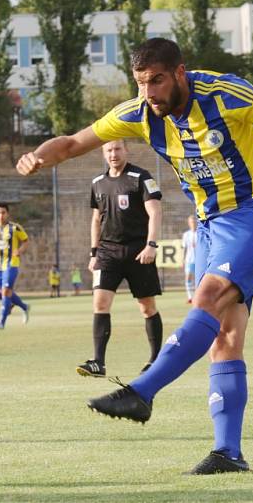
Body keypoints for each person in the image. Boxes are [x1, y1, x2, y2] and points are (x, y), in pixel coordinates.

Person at [16, 37, 253, 474]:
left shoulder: (226, 93)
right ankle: (228, 452)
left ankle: (142, 391)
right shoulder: (138, 113)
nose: (149, 92)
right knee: (224, 336)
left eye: (156, 80)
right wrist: (37, 157)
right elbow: (70, 143)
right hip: (212, 225)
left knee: (208, 299)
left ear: (179, 73)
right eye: (141, 83)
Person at [75, 139, 164, 379]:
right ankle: (98, 363)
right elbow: (96, 219)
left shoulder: (141, 177)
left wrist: (151, 245)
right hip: (107, 252)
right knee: (100, 304)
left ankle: (156, 360)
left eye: (117, 149)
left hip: (138, 251)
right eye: (108, 150)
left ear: (126, 150)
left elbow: (155, 211)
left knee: (147, 307)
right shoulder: (98, 183)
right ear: (103, 154)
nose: (113, 154)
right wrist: (93, 252)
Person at [0, 203, 31, 330]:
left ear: (7, 214)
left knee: (5, 291)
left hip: (11, 263)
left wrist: (19, 251)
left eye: (3, 213)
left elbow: (26, 241)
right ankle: (24, 307)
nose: (1, 215)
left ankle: (1, 322)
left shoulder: (15, 228)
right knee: (5, 292)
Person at [182, 214, 198, 303]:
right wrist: (183, 260)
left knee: (199, 278)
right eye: (191, 222)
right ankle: (190, 297)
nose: (193, 223)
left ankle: (198, 296)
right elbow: (184, 248)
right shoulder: (186, 235)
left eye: (195, 221)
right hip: (189, 260)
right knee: (188, 278)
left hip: (199, 260)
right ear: (189, 223)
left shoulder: (200, 233)